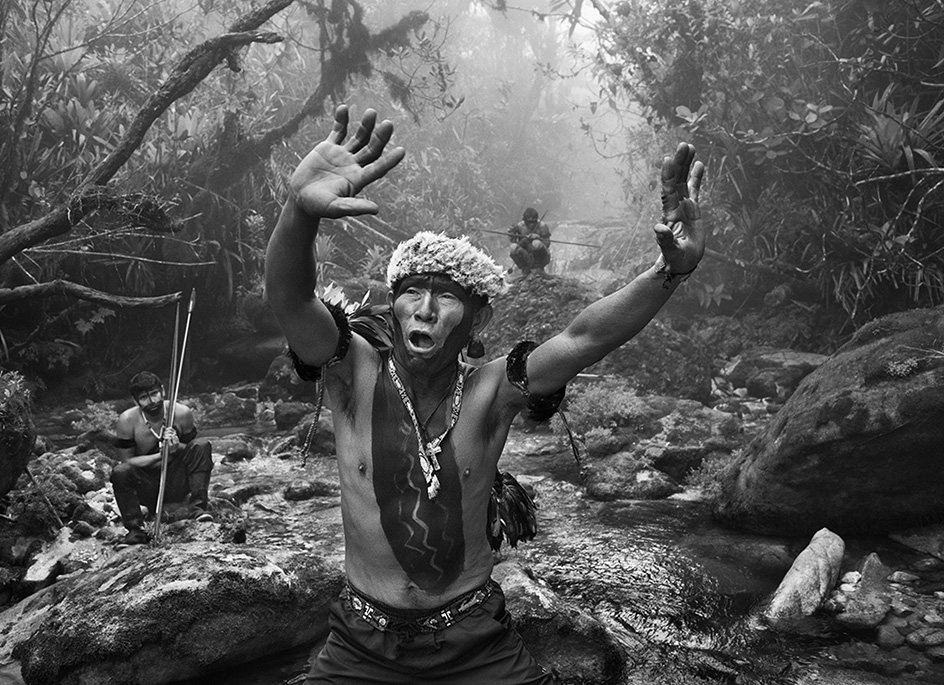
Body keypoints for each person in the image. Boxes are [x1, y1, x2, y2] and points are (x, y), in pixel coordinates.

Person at [264, 105, 705, 683]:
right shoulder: (352, 372)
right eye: (412, 291)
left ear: (478, 316)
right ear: (393, 304)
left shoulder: (494, 390)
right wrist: (298, 212)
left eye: (445, 296)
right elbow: (293, 302)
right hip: (360, 645)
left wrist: (668, 273)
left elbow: (584, 336)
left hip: (473, 642)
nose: (424, 308)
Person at [110, 371, 214, 545]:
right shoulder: (127, 420)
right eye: (144, 397)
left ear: (163, 391)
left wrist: (176, 447)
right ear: (136, 401)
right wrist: (160, 455)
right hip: (148, 487)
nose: (151, 401)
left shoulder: (181, 413)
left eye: (154, 394)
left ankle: (197, 509)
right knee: (120, 472)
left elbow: (193, 451)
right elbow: (127, 462)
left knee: (202, 445)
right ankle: (136, 530)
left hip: (178, 482)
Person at [508, 207, 552, 275]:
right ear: (524, 220)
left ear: (537, 220)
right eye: (529, 222)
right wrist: (512, 234)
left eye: (533, 222)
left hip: (541, 257)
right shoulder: (519, 226)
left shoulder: (542, 226)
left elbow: (547, 243)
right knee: (513, 247)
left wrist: (538, 238)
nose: (531, 224)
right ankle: (524, 268)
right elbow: (513, 241)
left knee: (536, 243)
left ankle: (539, 269)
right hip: (525, 254)